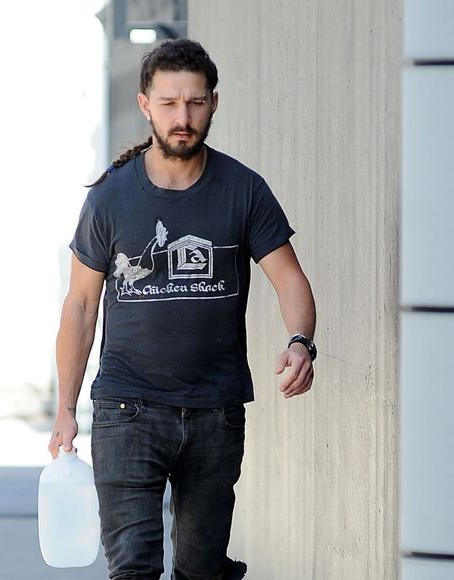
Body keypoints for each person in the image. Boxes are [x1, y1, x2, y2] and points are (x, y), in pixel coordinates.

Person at [48, 38, 316, 580]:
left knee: (201, 570)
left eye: (194, 102)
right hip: (127, 411)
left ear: (213, 102)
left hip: (216, 412)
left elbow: (289, 278)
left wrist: (300, 342)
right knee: (134, 570)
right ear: (146, 105)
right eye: (169, 103)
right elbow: (79, 307)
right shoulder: (109, 199)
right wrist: (65, 408)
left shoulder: (243, 190)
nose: (183, 117)